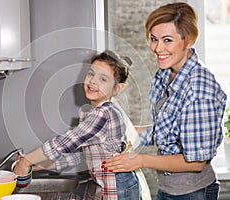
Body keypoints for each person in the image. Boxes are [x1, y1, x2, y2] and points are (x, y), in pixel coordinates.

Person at [102, 2, 227, 200]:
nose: (158, 48)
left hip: (192, 193)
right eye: (153, 39)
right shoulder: (166, 74)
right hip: (169, 189)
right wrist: (125, 131)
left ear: (189, 40)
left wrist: (140, 160)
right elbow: (167, 130)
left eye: (167, 40)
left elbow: (196, 162)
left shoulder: (199, 90)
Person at [14, 50, 141, 199]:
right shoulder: (96, 113)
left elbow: (64, 143)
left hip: (119, 187)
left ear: (117, 89)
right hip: (114, 184)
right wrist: (38, 166)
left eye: (103, 79)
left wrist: (28, 159)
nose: (93, 81)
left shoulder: (103, 114)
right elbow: (81, 156)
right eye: (91, 74)